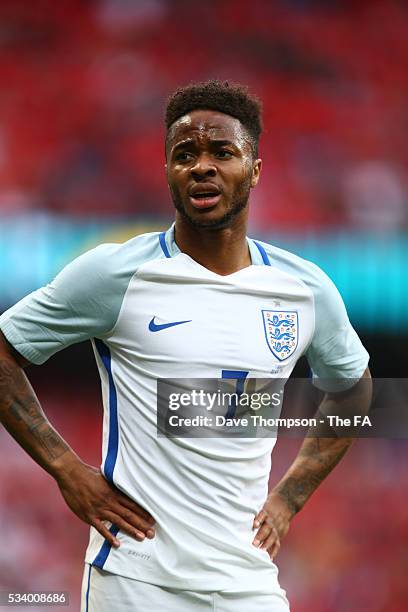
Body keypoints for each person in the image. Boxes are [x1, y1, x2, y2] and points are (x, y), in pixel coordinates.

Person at [0, 80, 371, 611]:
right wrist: (66, 468)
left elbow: (353, 389)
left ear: (256, 170)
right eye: (184, 154)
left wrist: (289, 498)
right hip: (136, 577)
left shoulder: (303, 288)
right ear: (168, 172)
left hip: (247, 579)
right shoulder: (116, 273)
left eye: (222, 152)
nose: (202, 165)